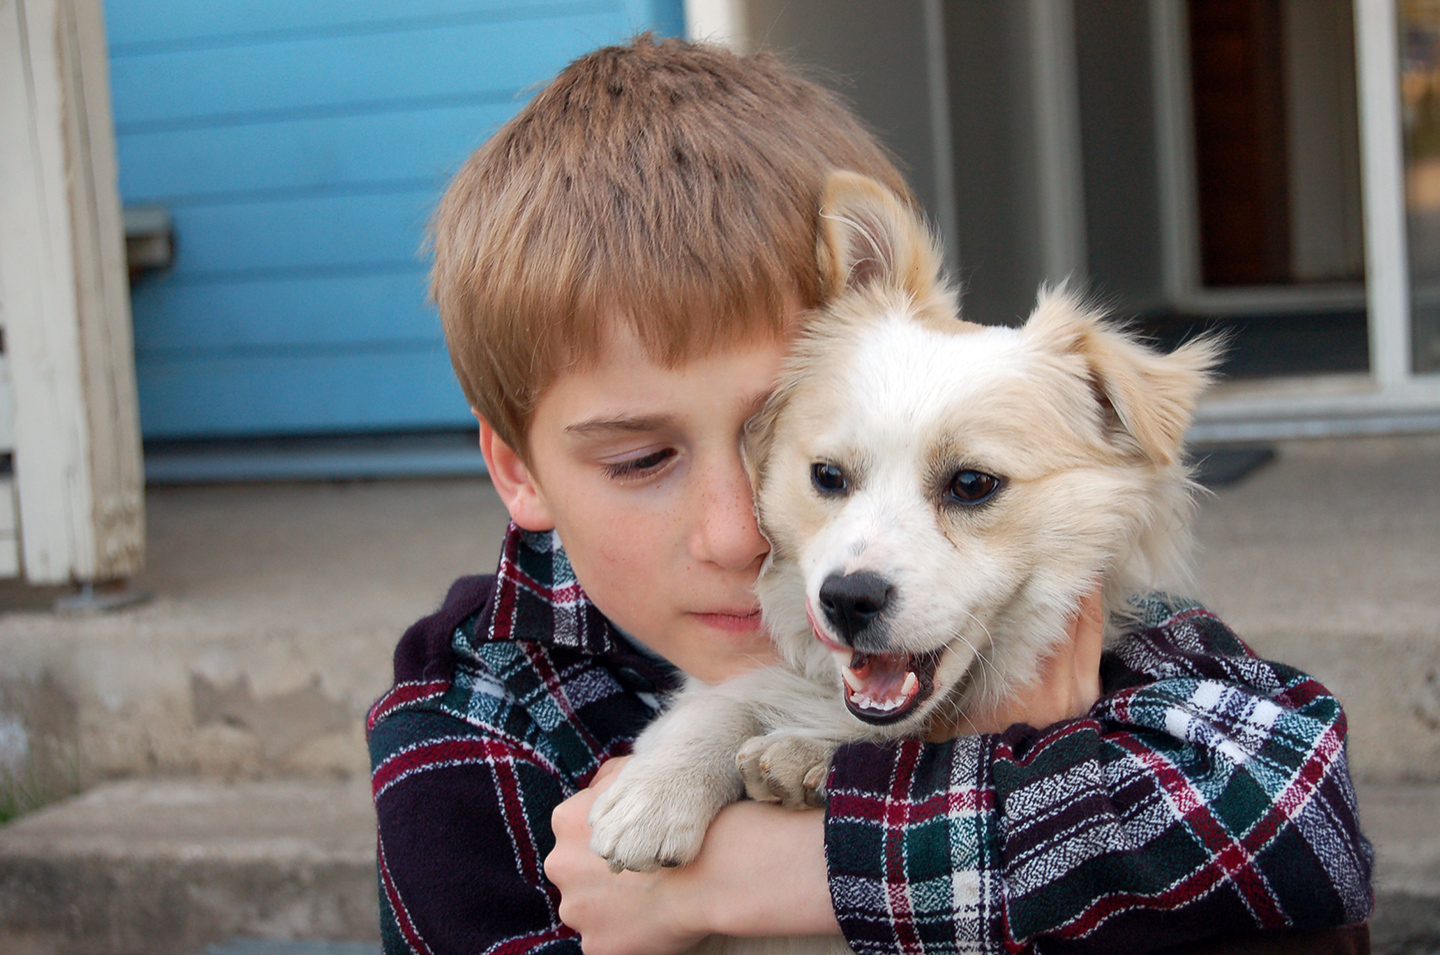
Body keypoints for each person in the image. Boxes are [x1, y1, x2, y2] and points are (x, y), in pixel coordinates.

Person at [366, 35, 1373, 955]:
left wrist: (780, 874)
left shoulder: (1100, 619)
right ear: (518, 470)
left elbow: (1309, 830)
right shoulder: (478, 721)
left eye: (771, 437)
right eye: (641, 460)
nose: (739, 532)